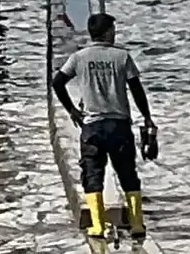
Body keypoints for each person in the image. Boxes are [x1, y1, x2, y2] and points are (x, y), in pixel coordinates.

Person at [51, 12, 155, 240]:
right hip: (119, 127)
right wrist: (147, 117)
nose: (114, 33)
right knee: (128, 174)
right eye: (113, 30)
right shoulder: (122, 57)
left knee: (92, 175)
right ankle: (137, 225)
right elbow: (137, 90)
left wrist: (72, 110)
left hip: (92, 128)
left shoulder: (79, 58)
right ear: (107, 32)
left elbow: (57, 82)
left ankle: (98, 227)